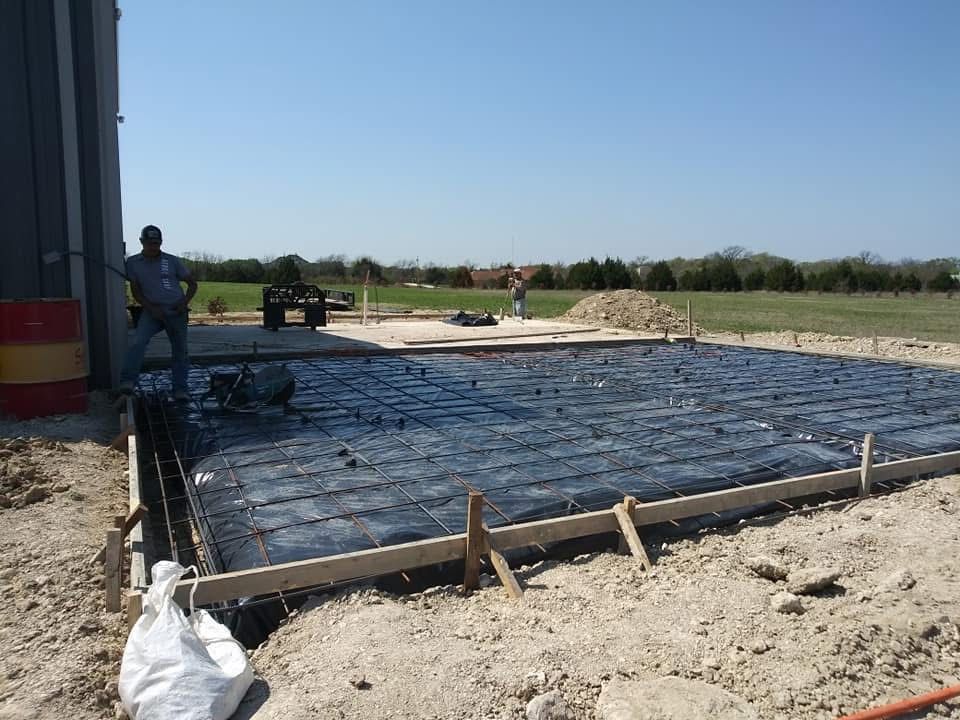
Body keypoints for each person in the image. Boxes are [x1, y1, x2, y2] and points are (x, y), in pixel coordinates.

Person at [118, 225, 198, 400]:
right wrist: (150, 308)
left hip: (176, 311)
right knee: (138, 342)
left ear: (161, 242)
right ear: (141, 242)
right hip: (151, 310)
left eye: (156, 243)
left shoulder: (172, 261)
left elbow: (192, 284)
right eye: (149, 243)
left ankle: (180, 389)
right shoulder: (132, 263)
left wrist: (183, 303)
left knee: (180, 350)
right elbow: (136, 291)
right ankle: (128, 381)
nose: (153, 247)